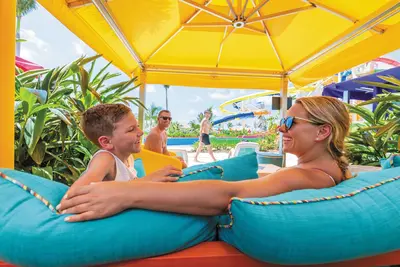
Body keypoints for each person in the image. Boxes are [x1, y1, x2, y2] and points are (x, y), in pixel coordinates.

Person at [58, 96, 352, 222]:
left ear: (322, 132)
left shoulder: (306, 176)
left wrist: (126, 193)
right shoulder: (322, 171)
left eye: (289, 123)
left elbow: (229, 195)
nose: (279, 128)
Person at [68, 103, 182, 193]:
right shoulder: (105, 158)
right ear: (106, 142)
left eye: (137, 126)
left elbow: (131, 184)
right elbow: (75, 193)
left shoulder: (129, 157)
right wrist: (147, 181)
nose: (141, 132)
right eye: (131, 129)